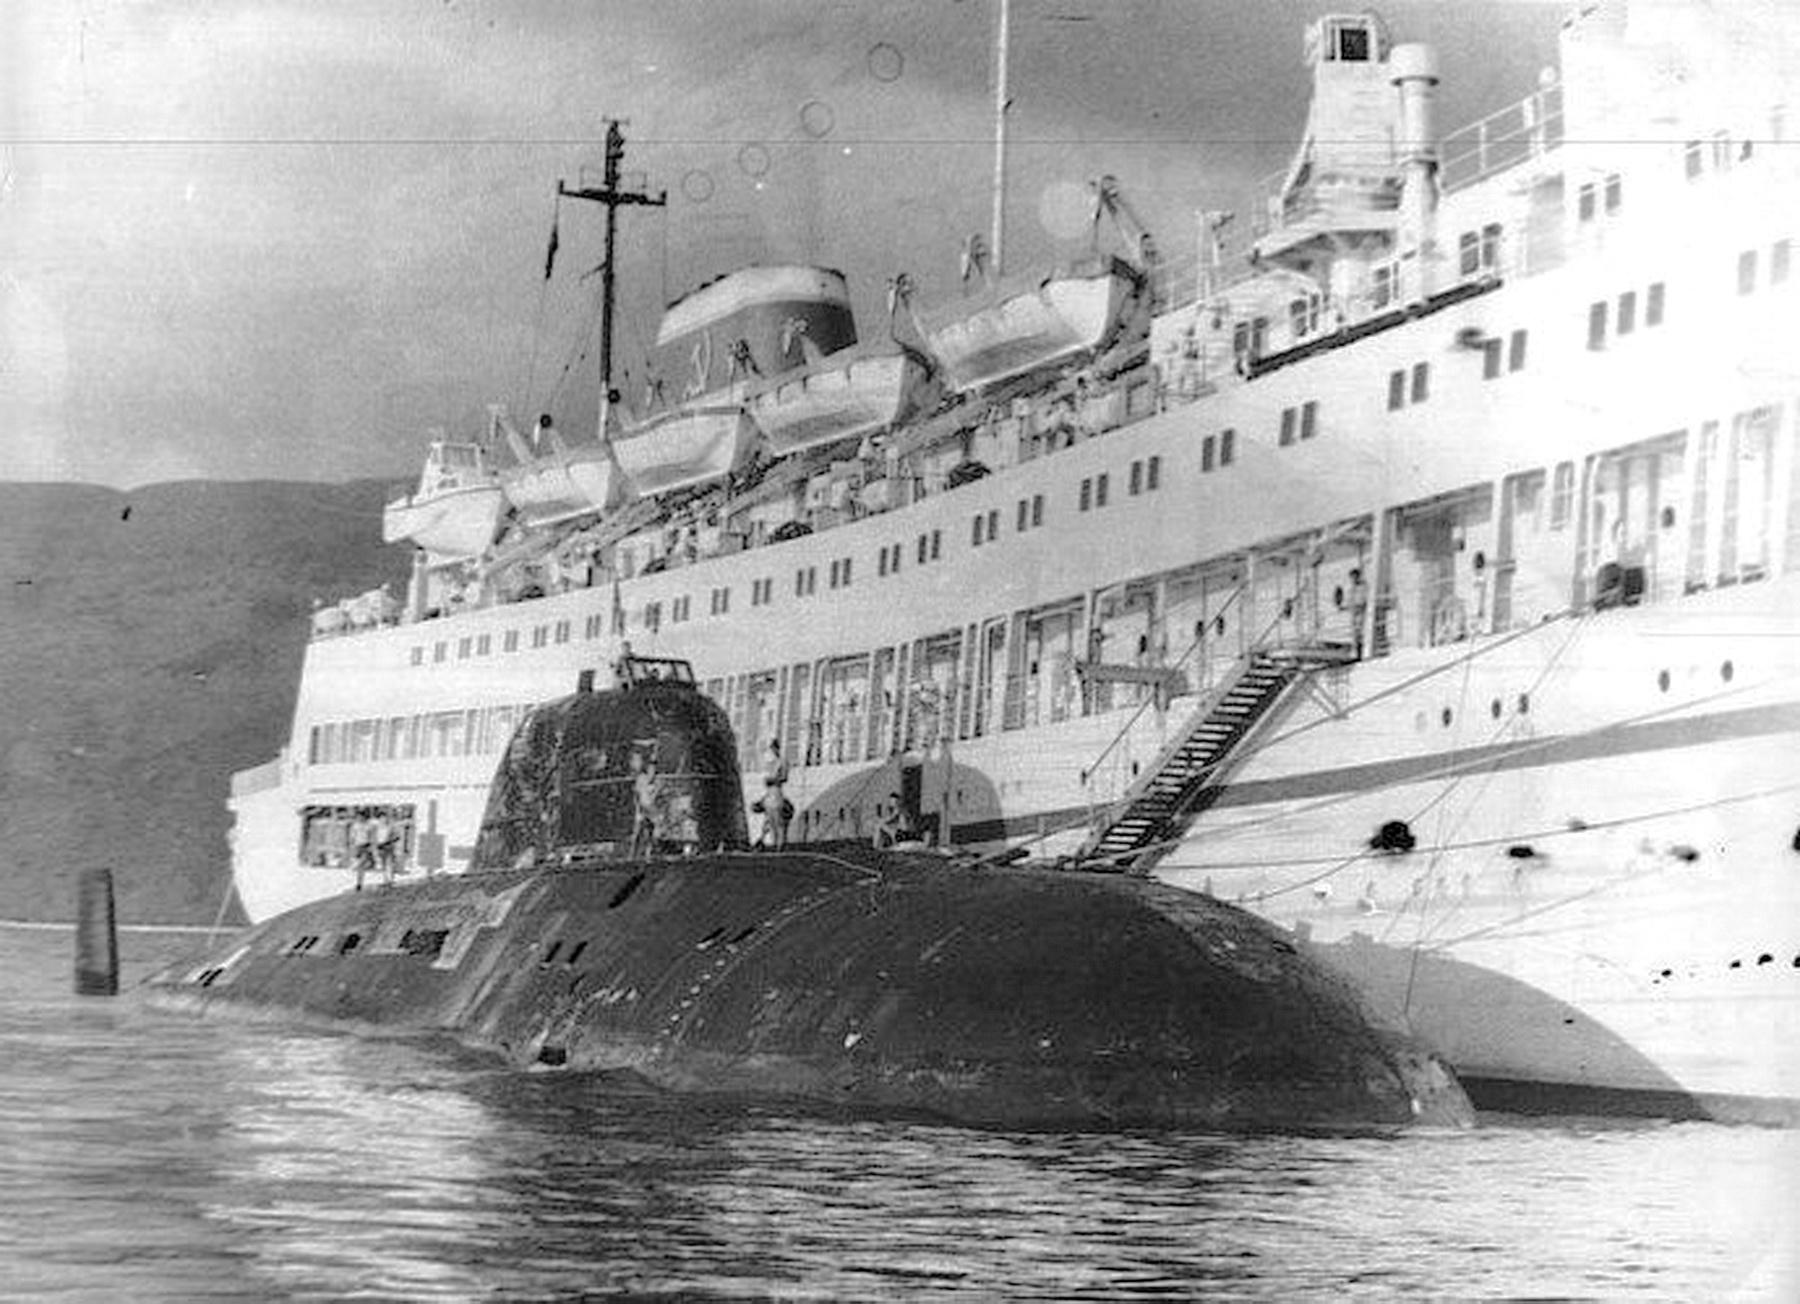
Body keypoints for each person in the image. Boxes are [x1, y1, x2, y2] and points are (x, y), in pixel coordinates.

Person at [630, 751, 661, 857]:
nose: (652, 770)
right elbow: (637, 796)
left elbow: (655, 798)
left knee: (652, 832)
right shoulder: (641, 778)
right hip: (643, 809)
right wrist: (638, 810)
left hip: (651, 810)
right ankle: (633, 854)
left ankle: (649, 853)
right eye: (650, 767)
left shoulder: (657, 781)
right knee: (638, 832)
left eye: (654, 767)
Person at [761, 740, 790, 850]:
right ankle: (774, 844)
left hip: (776, 791)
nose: (772, 751)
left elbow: (784, 777)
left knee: (778, 821)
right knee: (770, 821)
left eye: (774, 749)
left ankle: (780, 845)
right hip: (769, 792)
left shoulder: (782, 762)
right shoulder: (771, 763)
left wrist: (773, 780)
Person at [348, 809, 375, 891]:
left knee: (362, 864)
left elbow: (371, 836)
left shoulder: (368, 826)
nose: (360, 818)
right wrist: (352, 845)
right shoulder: (355, 826)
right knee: (360, 865)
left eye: (362, 816)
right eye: (359, 817)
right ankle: (358, 881)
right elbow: (352, 836)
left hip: (365, 845)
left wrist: (371, 845)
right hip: (358, 845)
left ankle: (359, 882)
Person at [1347, 567, 1370, 659]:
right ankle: (1356, 651)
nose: (1353, 579)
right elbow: (1350, 599)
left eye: (1355, 577)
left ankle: (1360, 652)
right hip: (1353, 610)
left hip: (1360, 609)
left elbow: (1364, 598)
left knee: (1359, 630)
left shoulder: (1363, 586)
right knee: (1354, 631)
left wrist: (1361, 605)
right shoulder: (1352, 588)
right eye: (1352, 577)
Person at [371, 808, 397, 886]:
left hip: (388, 845)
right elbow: (374, 837)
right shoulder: (376, 828)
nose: (383, 819)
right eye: (381, 818)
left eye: (384, 817)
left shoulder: (390, 827)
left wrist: (391, 841)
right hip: (380, 846)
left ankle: (391, 879)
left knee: (389, 862)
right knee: (383, 863)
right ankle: (385, 879)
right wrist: (375, 846)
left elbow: (396, 836)